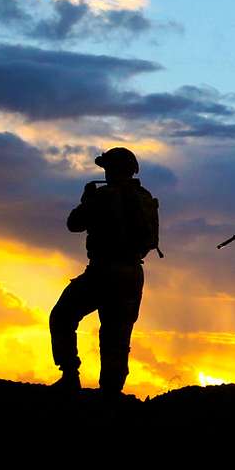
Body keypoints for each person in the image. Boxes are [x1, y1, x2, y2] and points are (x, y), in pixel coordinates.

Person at [49, 147, 159, 393]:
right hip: (132, 274)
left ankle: (70, 376)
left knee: (62, 316)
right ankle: (111, 394)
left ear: (112, 170)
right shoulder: (144, 197)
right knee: (117, 338)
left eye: (107, 168)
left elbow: (74, 224)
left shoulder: (103, 196)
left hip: (103, 272)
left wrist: (86, 200)